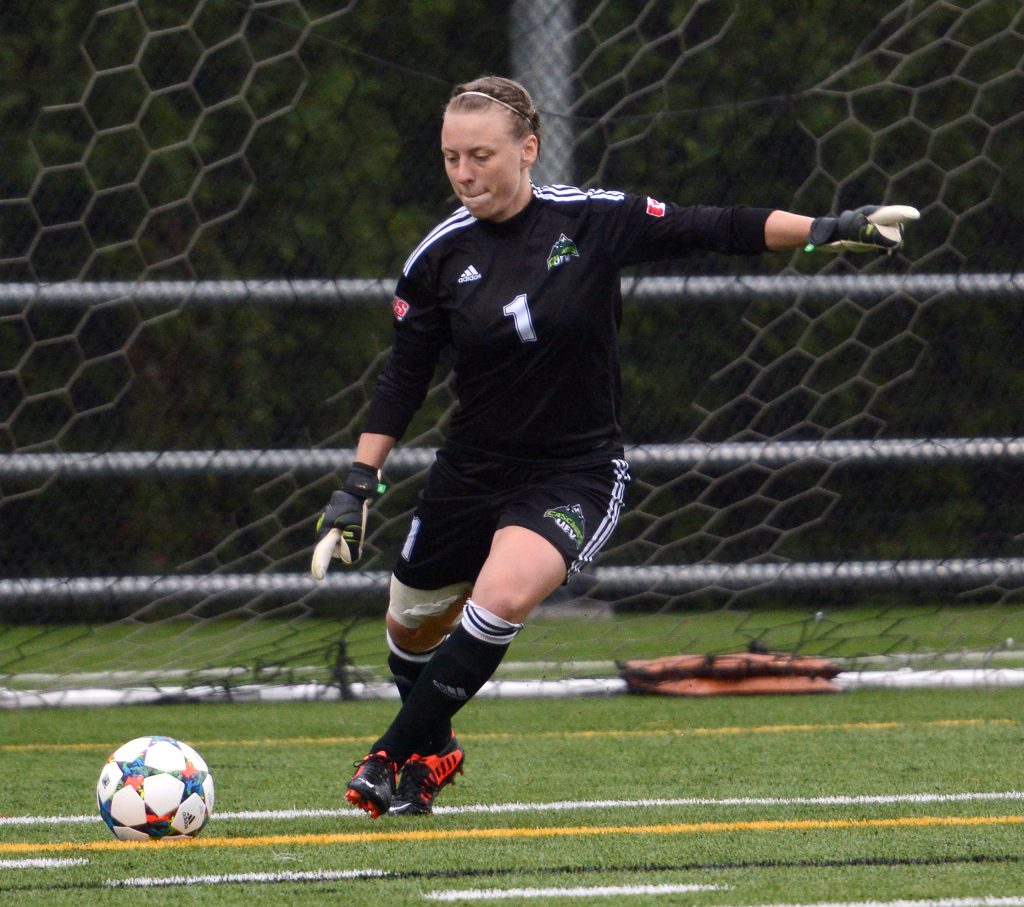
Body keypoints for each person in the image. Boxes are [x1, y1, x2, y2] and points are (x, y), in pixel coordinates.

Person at [311, 75, 914, 818]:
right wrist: (358, 481)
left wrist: (827, 227)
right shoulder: (437, 259)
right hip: (470, 469)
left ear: (528, 149)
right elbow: (404, 377)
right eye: (450, 158)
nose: (465, 173)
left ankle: (388, 753)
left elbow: (713, 224)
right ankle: (432, 747)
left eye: (482, 155)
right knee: (407, 630)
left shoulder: (593, 219)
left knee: (500, 596)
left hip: (576, 470)